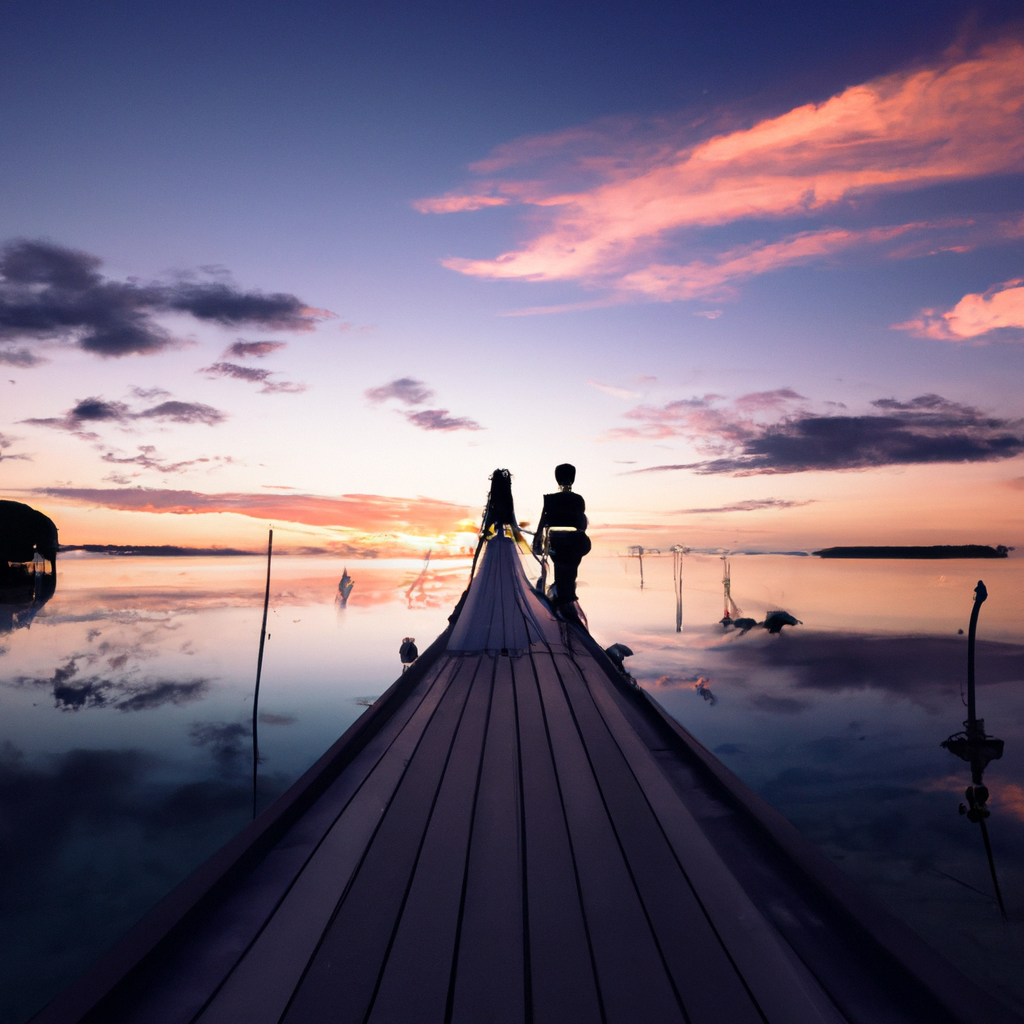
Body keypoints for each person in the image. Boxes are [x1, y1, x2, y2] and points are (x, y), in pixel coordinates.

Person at [532, 463, 591, 611]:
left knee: (563, 573)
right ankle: (567, 601)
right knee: (570, 575)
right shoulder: (578, 499)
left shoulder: (550, 500)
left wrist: (537, 541)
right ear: (573, 479)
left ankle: (563, 601)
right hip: (577, 542)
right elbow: (581, 524)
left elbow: (542, 525)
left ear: (557, 479)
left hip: (557, 542)